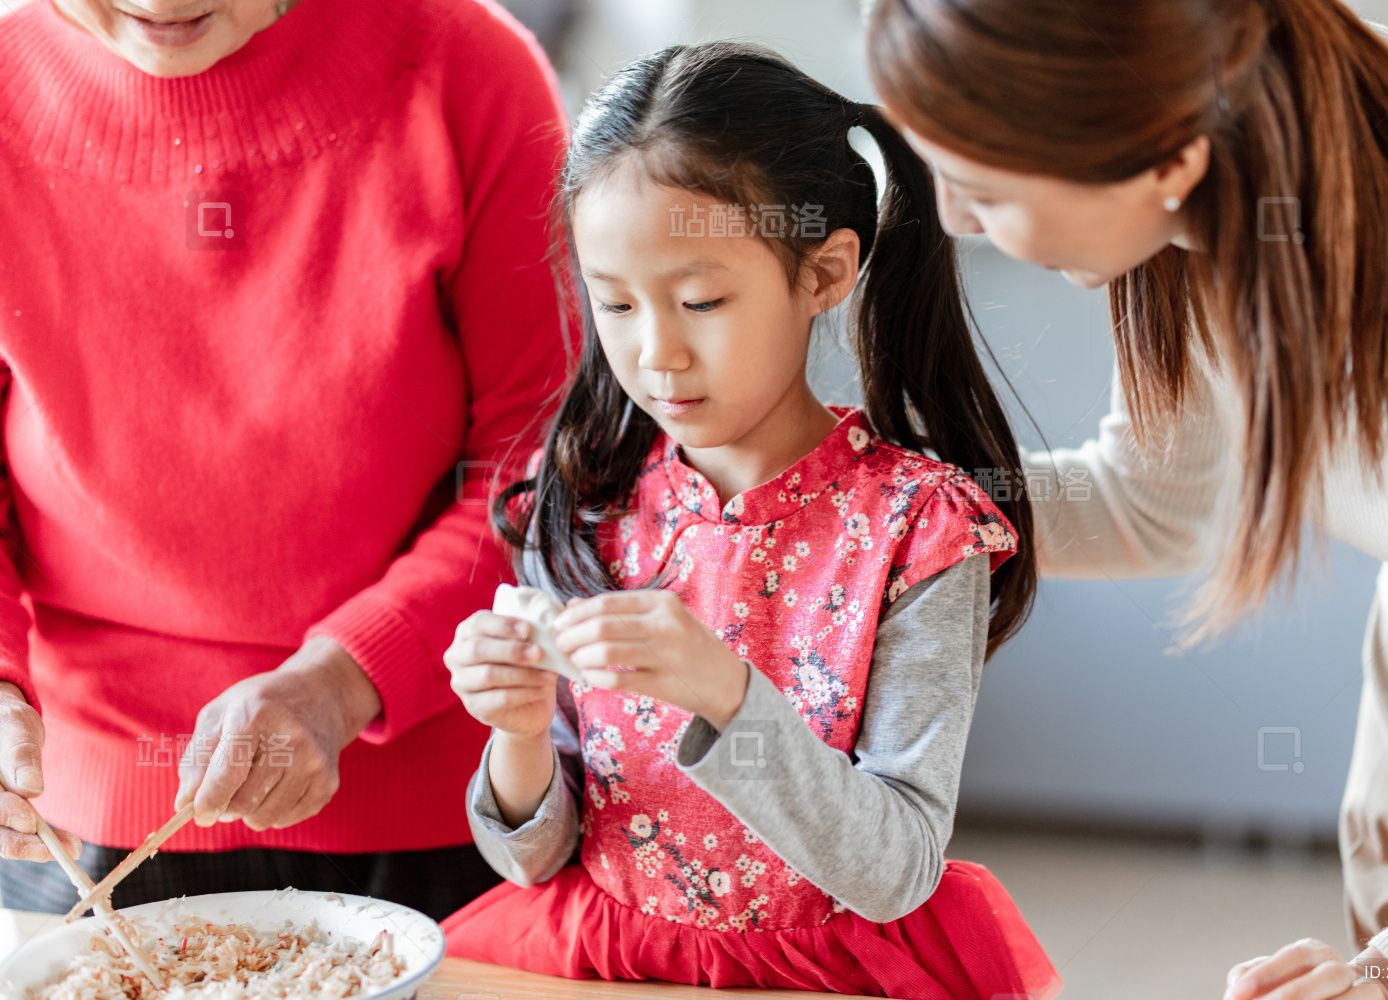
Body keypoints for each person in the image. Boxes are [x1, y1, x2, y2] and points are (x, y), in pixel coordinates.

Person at [866, 0, 1388, 998]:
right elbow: (1154, 504)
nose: (951, 218)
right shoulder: (1201, 207)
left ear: (1163, 157)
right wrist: (881, 491)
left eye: (981, 184)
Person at [438, 43, 1060, 1000]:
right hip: (603, 960)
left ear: (824, 273)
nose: (657, 355)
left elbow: (895, 868)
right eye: (614, 303)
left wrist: (729, 695)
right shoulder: (588, 505)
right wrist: (518, 733)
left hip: (825, 972)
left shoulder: (918, 532)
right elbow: (530, 862)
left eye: (701, 300)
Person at [0, 0, 568, 919]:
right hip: (77, 810)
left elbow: (543, 466)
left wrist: (344, 681)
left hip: (439, 817)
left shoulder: (464, 66)